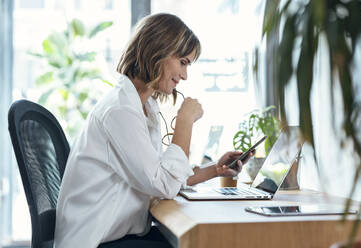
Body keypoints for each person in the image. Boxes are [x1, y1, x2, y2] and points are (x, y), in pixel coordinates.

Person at [54, 13, 254, 248]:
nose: (184, 75)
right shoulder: (121, 111)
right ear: (157, 51)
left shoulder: (143, 106)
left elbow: (161, 174)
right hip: (96, 241)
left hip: (117, 235)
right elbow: (164, 185)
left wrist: (215, 170)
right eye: (182, 62)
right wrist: (184, 121)